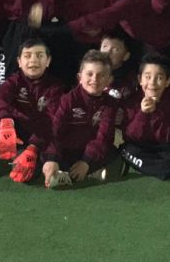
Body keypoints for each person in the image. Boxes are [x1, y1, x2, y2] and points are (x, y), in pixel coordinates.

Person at [0, 38, 64, 183]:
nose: (33, 60)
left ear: (48, 61)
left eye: (39, 55)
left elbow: (50, 123)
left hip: (35, 137)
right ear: (19, 61)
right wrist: (6, 122)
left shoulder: (56, 88)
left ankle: (21, 154)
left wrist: (33, 148)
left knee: (27, 175)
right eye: (27, 55)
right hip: (12, 130)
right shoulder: (14, 81)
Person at [41, 50, 119, 188]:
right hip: (65, 150)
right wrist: (52, 158)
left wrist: (86, 161)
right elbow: (53, 130)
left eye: (101, 75)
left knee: (112, 152)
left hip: (89, 153)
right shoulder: (67, 100)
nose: (95, 79)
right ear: (79, 77)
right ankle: (59, 171)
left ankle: (79, 171)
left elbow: (103, 137)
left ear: (109, 80)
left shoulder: (110, 104)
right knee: (42, 156)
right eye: (89, 74)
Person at [118, 53, 170, 181]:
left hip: (165, 147)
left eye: (159, 78)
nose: (152, 83)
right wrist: (143, 114)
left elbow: (169, 136)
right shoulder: (131, 102)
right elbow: (130, 136)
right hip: (140, 147)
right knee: (126, 151)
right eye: (147, 77)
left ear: (167, 81)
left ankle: (169, 168)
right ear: (140, 79)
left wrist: (156, 112)